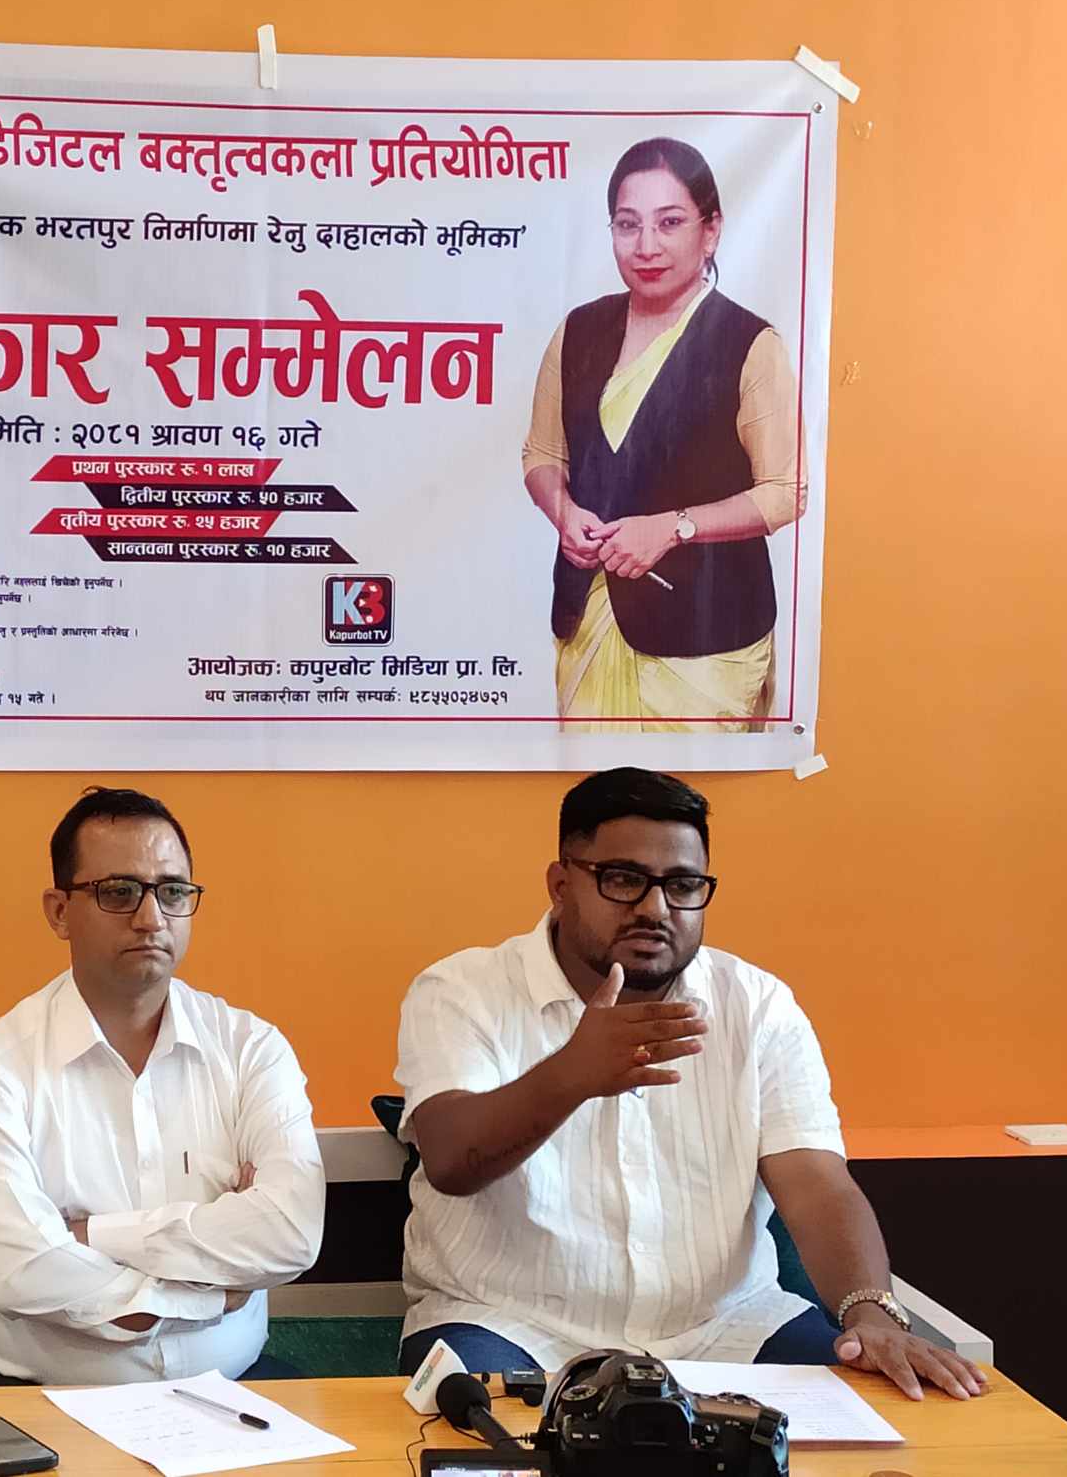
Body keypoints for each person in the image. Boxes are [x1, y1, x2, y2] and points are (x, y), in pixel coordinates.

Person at [395, 768, 988, 1402]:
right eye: (623, 879)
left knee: (879, 1413)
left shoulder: (757, 1005)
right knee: (476, 1439)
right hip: (506, 1323)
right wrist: (570, 1075)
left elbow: (816, 1183)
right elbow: (451, 1161)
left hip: (730, 1327)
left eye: (682, 886)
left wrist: (871, 1312)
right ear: (561, 885)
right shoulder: (462, 991)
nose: (655, 909)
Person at [0, 787, 325, 1384]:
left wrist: (90, 1235)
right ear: (59, 912)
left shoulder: (251, 1049)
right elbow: (20, 1271)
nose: (151, 919)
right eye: (118, 892)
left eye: (172, 892)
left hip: (233, 1388)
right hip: (40, 1400)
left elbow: (291, 1234)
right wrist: (212, 1290)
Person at [521, 137, 807, 731]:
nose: (646, 246)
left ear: (711, 230)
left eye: (669, 223)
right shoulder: (577, 331)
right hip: (590, 621)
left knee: (688, 791)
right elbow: (542, 455)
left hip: (707, 643)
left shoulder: (751, 345)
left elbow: (786, 491)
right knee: (593, 787)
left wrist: (675, 528)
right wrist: (562, 511)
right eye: (628, 225)